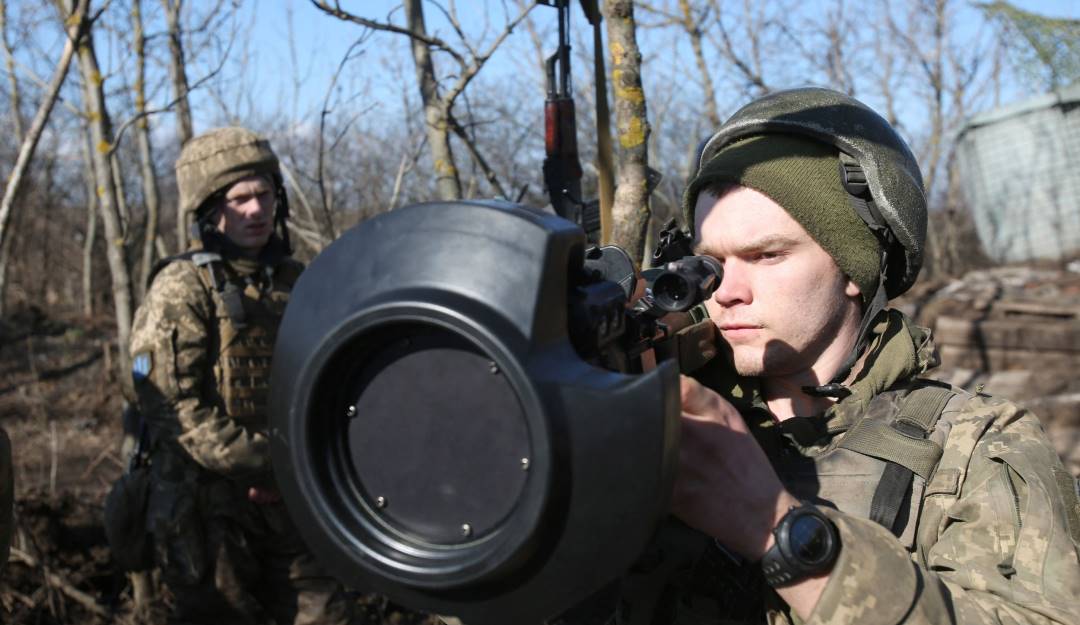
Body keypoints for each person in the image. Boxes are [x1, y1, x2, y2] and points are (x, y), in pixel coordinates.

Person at [614, 88, 1080, 625]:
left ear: (854, 268)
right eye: (711, 263)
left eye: (767, 255)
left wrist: (777, 529)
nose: (727, 292)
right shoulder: (664, 415)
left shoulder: (974, 446)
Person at [128, 127, 358, 624]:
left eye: (264, 194)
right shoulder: (182, 286)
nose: (256, 210)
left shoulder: (295, 280)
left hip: (292, 497)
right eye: (239, 199)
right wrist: (261, 465)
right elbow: (171, 407)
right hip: (207, 508)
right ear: (211, 208)